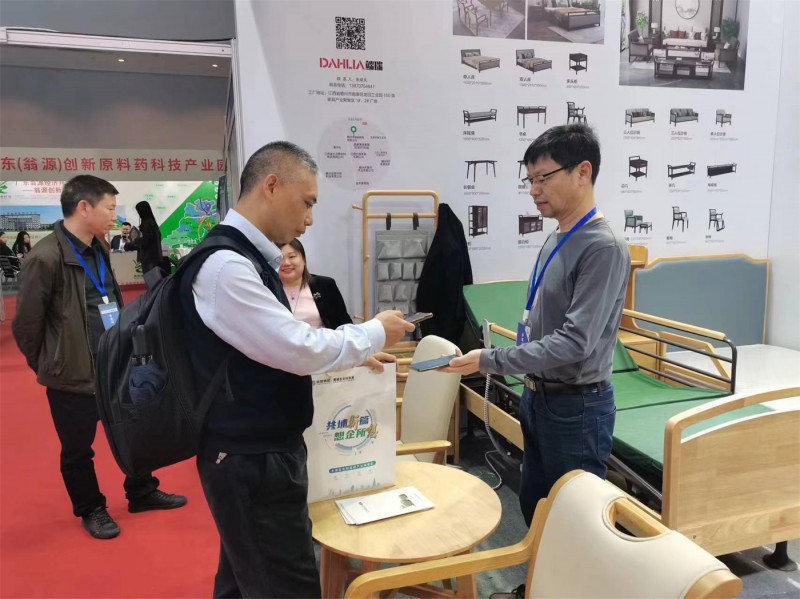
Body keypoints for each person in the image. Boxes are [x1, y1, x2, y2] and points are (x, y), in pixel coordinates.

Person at [182, 141, 414, 598]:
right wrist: (373, 332)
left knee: (244, 575)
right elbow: (296, 348)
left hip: (255, 451)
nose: (309, 219)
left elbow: (276, 348)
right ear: (271, 186)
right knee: (285, 585)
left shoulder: (244, 259)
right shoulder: (227, 267)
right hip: (251, 457)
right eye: (307, 202)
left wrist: (352, 353)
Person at [445, 123, 630, 529]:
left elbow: (575, 342)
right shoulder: (556, 238)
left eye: (543, 178)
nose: (533, 189)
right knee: (537, 508)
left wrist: (491, 360)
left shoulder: (603, 247)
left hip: (576, 407)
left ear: (583, 172)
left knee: (574, 523)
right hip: (538, 397)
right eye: (530, 179)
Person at [11, 175, 187, 541]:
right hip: (72, 373)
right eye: (109, 208)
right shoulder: (45, 258)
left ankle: (141, 491)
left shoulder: (98, 247)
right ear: (84, 207)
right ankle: (91, 507)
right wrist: (50, 364)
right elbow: (27, 325)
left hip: (116, 362)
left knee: (136, 427)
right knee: (78, 449)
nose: (114, 216)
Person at [278, 238, 353, 329]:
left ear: (304, 259)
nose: (286, 263)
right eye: (279, 258)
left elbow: (344, 324)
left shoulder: (325, 285)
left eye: (292, 256)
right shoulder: (267, 288)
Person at [125, 201, 162, 272]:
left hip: (148, 257)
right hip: (154, 257)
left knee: (149, 276)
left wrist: (135, 241)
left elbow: (145, 241)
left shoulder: (147, 223)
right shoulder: (152, 222)